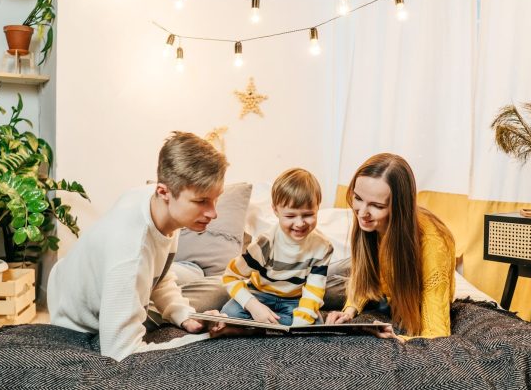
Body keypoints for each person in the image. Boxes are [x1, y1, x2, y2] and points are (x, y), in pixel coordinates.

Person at [47, 131, 228, 361]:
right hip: (82, 324)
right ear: (164, 191)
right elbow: (121, 352)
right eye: (201, 201)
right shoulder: (130, 252)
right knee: (221, 291)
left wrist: (184, 315)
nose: (213, 212)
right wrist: (209, 340)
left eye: (216, 198)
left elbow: (158, 275)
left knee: (220, 285)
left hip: (87, 288)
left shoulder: (154, 204)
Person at [325, 153, 456, 340]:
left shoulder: (433, 244)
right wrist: (349, 310)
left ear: (399, 208)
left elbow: (437, 334)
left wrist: (399, 338)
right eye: (358, 198)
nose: (362, 213)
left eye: (377, 206)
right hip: (378, 282)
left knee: (313, 284)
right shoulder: (367, 220)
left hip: (393, 291)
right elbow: (365, 269)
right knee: (307, 278)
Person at [221, 168, 333, 326]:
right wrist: (254, 307)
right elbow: (230, 277)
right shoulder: (265, 243)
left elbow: (314, 290)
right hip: (259, 294)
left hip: (294, 300)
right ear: (275, 210)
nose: (300, 223)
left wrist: (302, 322)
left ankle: (262, 325)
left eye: (308, 215)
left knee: (315, 322)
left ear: (317, 208)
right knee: (229, 312)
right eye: (290, 216)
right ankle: (269, 321)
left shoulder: (323, 247)